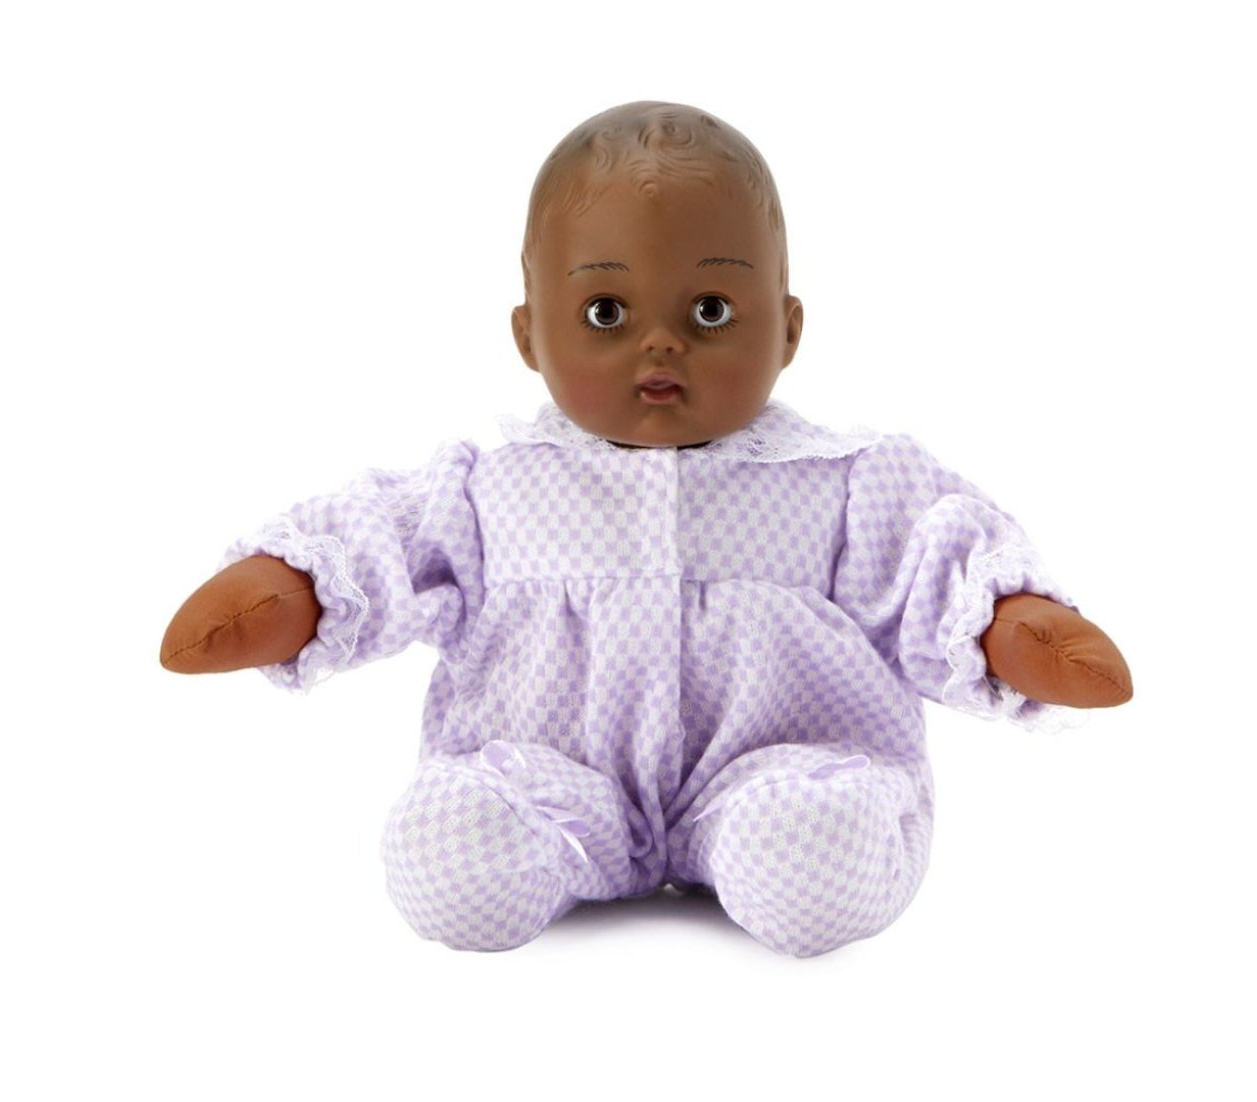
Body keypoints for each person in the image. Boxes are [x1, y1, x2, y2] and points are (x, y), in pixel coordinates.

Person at [161, 102, 1131, 957]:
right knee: (451, 851)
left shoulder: (841, 483)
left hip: (780, 767)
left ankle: (794, 841)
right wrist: (286, 588)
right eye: (605, 310)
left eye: (710, 309)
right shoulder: (492, 487)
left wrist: (1016, 625)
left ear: (788, 328)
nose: (660, 342)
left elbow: (941, 565)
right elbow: (378, 543)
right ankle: (514, 837)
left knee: (813, 852)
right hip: (553, 777)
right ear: (529, 333)